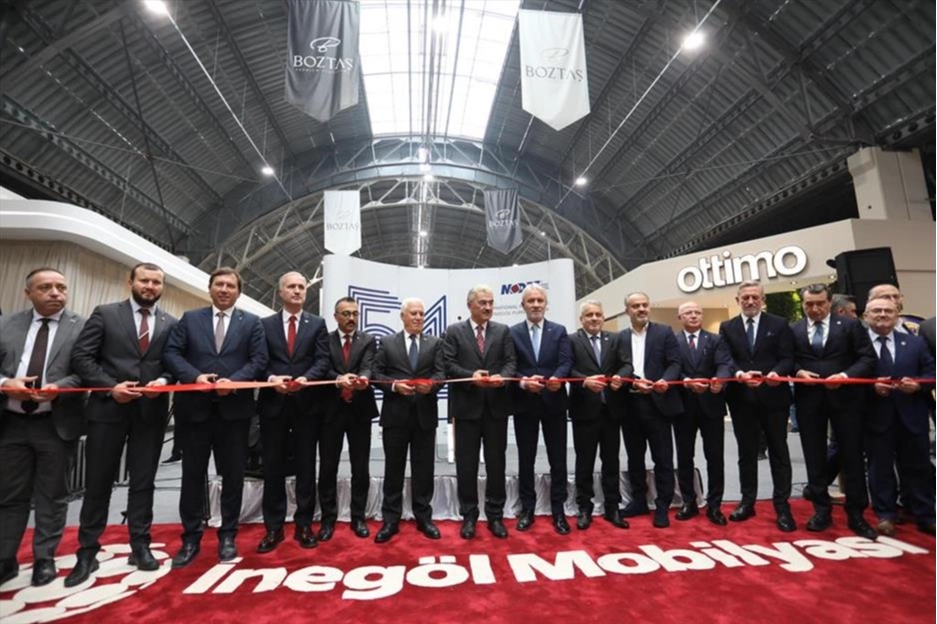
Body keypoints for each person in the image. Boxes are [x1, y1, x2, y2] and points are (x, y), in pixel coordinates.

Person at [64, 263, 178, 587]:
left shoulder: (171, 323)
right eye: (144, 280)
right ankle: (87, 551)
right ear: (131, 282)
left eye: (156, 282)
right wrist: (110, 386)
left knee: (143, 482)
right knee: (97, 483)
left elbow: (173, 364)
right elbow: (82, 358)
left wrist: (163, 381)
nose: (150, 286)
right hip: (107, 410)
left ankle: (139, 545)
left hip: (150, 413)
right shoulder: (105, 314)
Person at [162, 267, 268, 568]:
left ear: (238, 291)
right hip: (195, 411)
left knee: (233, 476)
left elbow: (259, 360)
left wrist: (234, 382)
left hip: (234, 413)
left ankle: (228, 535)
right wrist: (195, 377)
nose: (224, 289)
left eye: (230, 285)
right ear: (210, 288)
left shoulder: (252, 323)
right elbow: (172, 354)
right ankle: (191, 537)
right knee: (192, 476)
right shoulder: (190, 319)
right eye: (219, 284)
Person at [0, 268, 86, 587]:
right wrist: (5, 383)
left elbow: (87, 370)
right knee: (9, 495)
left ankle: (44, 559)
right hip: (10, 424)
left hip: (56, 424)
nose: (55, 293)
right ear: (28, 293)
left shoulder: (83, 327)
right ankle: (5, 559)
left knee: (53, 495)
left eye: (61, 287)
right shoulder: (6, 324)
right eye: (46, 287)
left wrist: (59, 388)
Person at [792, 284, 877, 539]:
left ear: (829, 303)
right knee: (814, 457)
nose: (815, 309)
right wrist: (798, 371)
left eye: (820, 303)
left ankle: (856, 513)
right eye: (809, 304)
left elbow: (866, 358)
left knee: (852, 456)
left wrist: (845, 376)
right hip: (809, 402)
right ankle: (821, 510)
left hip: (846, 400)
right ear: (803, 305)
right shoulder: (794, 329)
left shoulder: (850, 325)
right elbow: (787, 359)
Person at [255, 272, 329, 553]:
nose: (297, 291)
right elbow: (259, 360)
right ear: (280, 292)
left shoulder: (317, 324)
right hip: (273, 405)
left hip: (306, 405)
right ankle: (273, 527)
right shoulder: (264, 324)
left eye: (301, 287)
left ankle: (304, 525)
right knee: (272, 467)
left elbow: (322, 359)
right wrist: (272, 379)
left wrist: (306, 379)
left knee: (306, 467)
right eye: (291, 287)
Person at [719, 280, 797, 532]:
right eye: (745, 298)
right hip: (741, 399)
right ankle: (747, 502)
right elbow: (726, 358)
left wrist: (776, 373)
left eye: (755, 297)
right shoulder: (727, 327)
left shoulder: (779, 324)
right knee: (746, 453)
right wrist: (739, 374)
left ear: (762, 299)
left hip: (774, 398)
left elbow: (787, 357)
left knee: (778, 452)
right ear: (738, 300)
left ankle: (782, 507)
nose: (750, 301)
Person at [443, 285, 516, 540]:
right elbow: (448, 364)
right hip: (466, 409)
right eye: (482, 303)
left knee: (497, 464)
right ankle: (469, 515)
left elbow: (511, 362)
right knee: (466, 465)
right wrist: (469, 376)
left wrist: (502, 378)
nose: (488, 307)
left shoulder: (503, 331)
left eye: (491, 302)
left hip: (496, 408)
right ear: (470, 305)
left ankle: (495, 515)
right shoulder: (454, 331)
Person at [373, 298, 446, 543]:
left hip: (425, 416)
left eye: (421, 314)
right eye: (413, 313)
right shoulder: (387, 342)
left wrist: (431, 386)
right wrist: (394, 385)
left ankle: (424, 517)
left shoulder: (435, 343)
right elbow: (376, 373)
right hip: (395, 417)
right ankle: (390, 520)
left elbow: (441, 373)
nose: (418, 317)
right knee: (393, 470)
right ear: (402, 316)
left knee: (424, 470)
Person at [865, 297, 936, 537]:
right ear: (866, 316)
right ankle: (886, 515)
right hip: (876, 416)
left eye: (888, 310)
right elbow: (851, 375)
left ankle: (925, 515)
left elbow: (930, 372)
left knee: (919, 467)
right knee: (880, 468)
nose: (882, 314)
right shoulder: (858, 344)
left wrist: (918, 385)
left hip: (912, 415)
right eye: (877, 310)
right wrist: (872, 387)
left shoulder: (915, 343)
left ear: (897, 315)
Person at [510, 284, 573, 535]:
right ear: (523, 305)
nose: (536, 305)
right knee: (526, 459)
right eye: (531, 301)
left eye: (540, 300)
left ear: (546, 304)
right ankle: (527, 509)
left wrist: (557, 378)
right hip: (524, 403)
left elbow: (566, 362)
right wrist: (524, 381)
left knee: (558, 459)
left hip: (554, 402)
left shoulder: (559, 331)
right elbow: (510, 366)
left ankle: (558, 510)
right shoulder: (512, 333)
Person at [619, 293, 682, 529]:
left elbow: (675, 363)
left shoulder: (664, 332)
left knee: (663, 458)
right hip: (630, 404)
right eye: (635, 306)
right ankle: (639, 501)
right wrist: (634, 382)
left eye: (645, 305)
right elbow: (617, 367)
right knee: (634, 457)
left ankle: (662, 504)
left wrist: (665, 380)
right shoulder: (620, 337)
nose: (641, 309)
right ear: (627, 310)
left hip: (659, 404)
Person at [318, 297, 378, 541]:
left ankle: (358, 517)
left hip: (359, 410)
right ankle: (328, 519)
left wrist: (363, 378)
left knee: (360, 468)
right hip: (330, 411)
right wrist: (337, 379)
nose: (351, 318)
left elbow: (368, 366)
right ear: (336, 317)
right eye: (346, 314)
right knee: (328, 467)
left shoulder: (368, 340)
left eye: (355, 313)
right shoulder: (325, 339)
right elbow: (321, 368)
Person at [568, 300, 631, 530]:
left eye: (598, 314)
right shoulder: (571, 340)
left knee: (611, 460)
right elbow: (566, 368)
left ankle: (612, 507)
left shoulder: (615, 339)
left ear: (603, 317)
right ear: (581, 319)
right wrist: (583, 381)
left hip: (611, 411)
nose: (594, 318)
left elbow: (627, 365)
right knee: (584, 462)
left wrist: (620, 377)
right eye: (589, 315)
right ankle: (584, 507)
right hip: (584, 411)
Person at [673, 301, 734, 526]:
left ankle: (714, 505)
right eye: (688, 312)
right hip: (683, 407)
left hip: (712, 405)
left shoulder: (716, 340)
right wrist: (686, 381)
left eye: (697, 312)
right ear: (680, 317)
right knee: (684, 457)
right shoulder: (673, 341)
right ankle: (688, 502)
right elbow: (671, 367)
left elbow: (725, 364)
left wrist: (720, 380)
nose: (693, 315)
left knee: (715, 457)